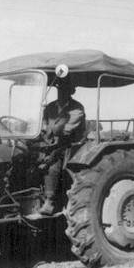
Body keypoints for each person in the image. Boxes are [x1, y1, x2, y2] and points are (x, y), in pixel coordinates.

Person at [38, 80, 86, 215]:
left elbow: (67, 129)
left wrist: (49, 131)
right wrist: (44, 133)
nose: (61, 92)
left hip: (71, 144)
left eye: (65, 89)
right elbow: (43, 124)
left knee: (52, 163)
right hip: (51, 141)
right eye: (59, 89)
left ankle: (50, 200)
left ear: (71, 91)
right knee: (26, 154)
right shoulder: (50, 107)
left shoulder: (77, 108)